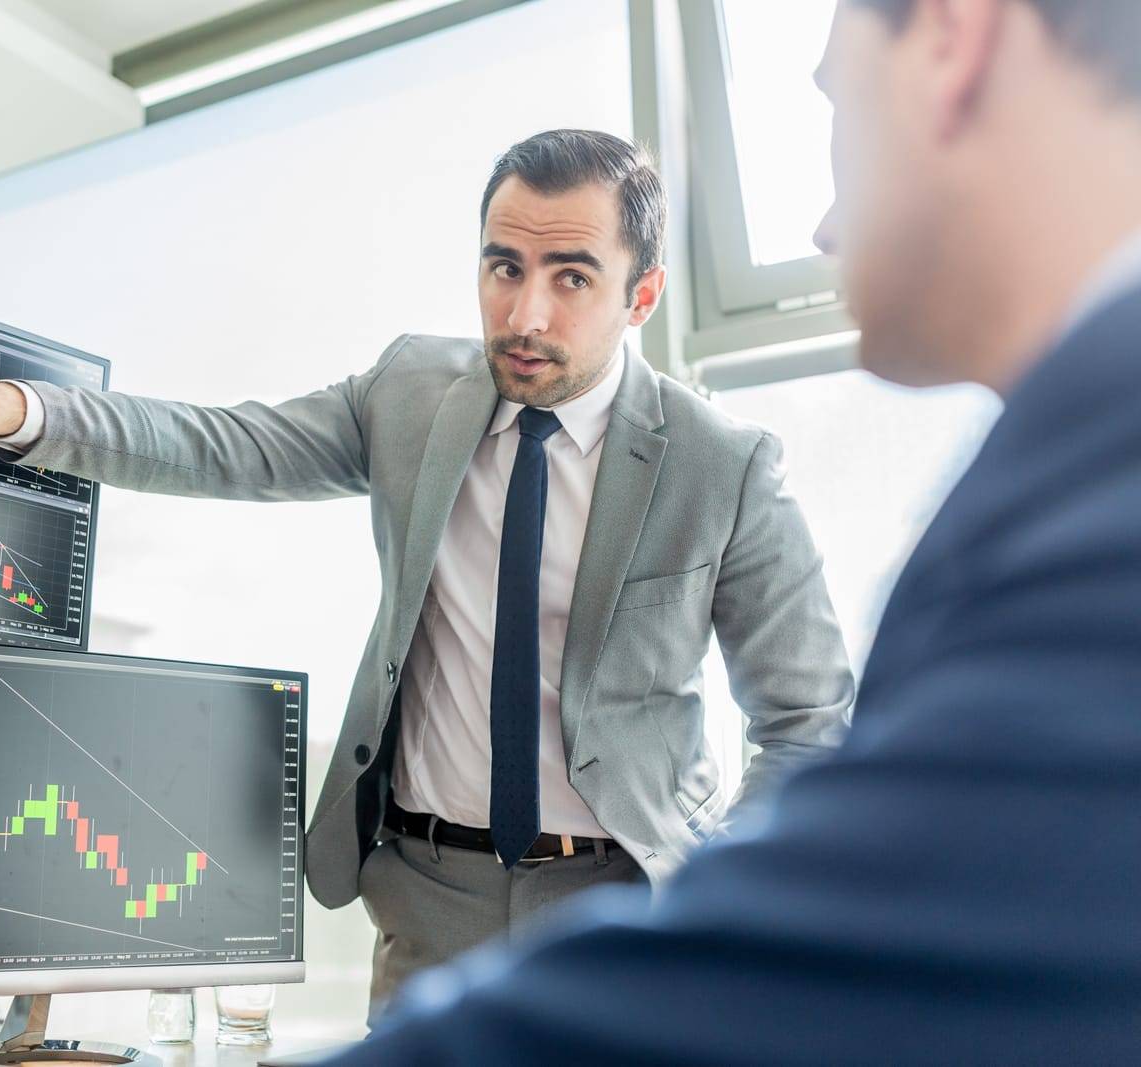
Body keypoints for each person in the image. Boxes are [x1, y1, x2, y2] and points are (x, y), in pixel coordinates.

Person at [0, 129, 854, 1015]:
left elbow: (806, 719)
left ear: (642, 295)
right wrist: (14, 413)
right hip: (425, 893)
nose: (525, 314)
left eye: (570, 276)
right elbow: (222, 443)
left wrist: (715, 894)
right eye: (503, 267)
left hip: (624, 899)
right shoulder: (412, 391)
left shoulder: (723, 465)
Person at [277, 0, 1139, 1060]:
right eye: (505, 268)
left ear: (953, 41)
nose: (823, 230)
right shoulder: (1070, 450)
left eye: (836, 106)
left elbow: (870, 872)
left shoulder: (1099, 484)